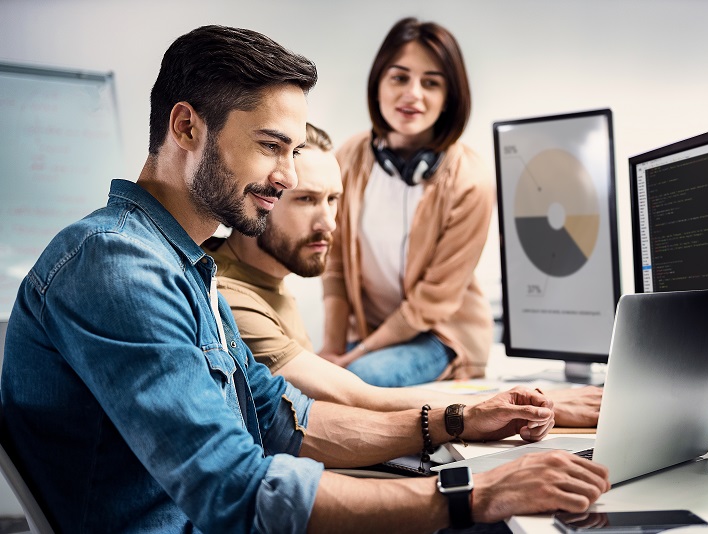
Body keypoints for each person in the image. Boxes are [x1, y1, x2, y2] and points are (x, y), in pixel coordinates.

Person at [1, 25, 608, 533]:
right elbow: (237, 490)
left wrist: (455, 423)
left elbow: (282, 421)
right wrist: (474, 494)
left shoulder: (185, 262)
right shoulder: (117, 266)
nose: (287, 177)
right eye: (271, 146)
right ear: (186, 128)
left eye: (294, 151)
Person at [207, 122, 603, 428]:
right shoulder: (228, 296)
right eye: (307, 200)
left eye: (333, 200)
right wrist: (536, 404)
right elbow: (355, 397)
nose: (330, 223)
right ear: (261, 196)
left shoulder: (269, 279)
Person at [320, 17, 495, 387]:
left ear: (449, 98)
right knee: (304, 381)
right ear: (378, 84)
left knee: (354, 381)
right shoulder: (349, 156)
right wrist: (331, 351)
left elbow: (433, 301)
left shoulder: (472, 181)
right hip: (371, 331)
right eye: (399, 77)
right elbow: (333, 263)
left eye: (431, 83)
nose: (413, 94)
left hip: (440, 334)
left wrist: (354, 357)